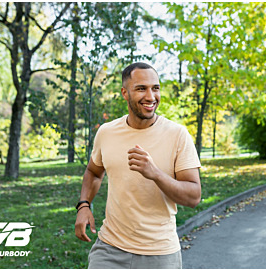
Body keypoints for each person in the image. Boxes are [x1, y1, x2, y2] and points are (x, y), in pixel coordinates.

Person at [74, 62, 201, 269]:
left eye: (155, 88)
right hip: (109, 248)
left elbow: (194, 196)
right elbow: (93, 172)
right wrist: (84, 205)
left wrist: (156, 174)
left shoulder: (177, 135)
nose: (151, 97)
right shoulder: (107, 132)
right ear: (125, 93)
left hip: (160, 254)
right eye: (141, 89)